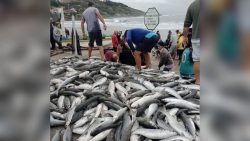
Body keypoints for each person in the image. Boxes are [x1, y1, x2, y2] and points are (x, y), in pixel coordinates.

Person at [183, 0, 200, 84]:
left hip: (196, 38)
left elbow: (186, 24)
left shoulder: (192, 5)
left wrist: (185, 37)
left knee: (197, 60)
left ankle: (198, 81)